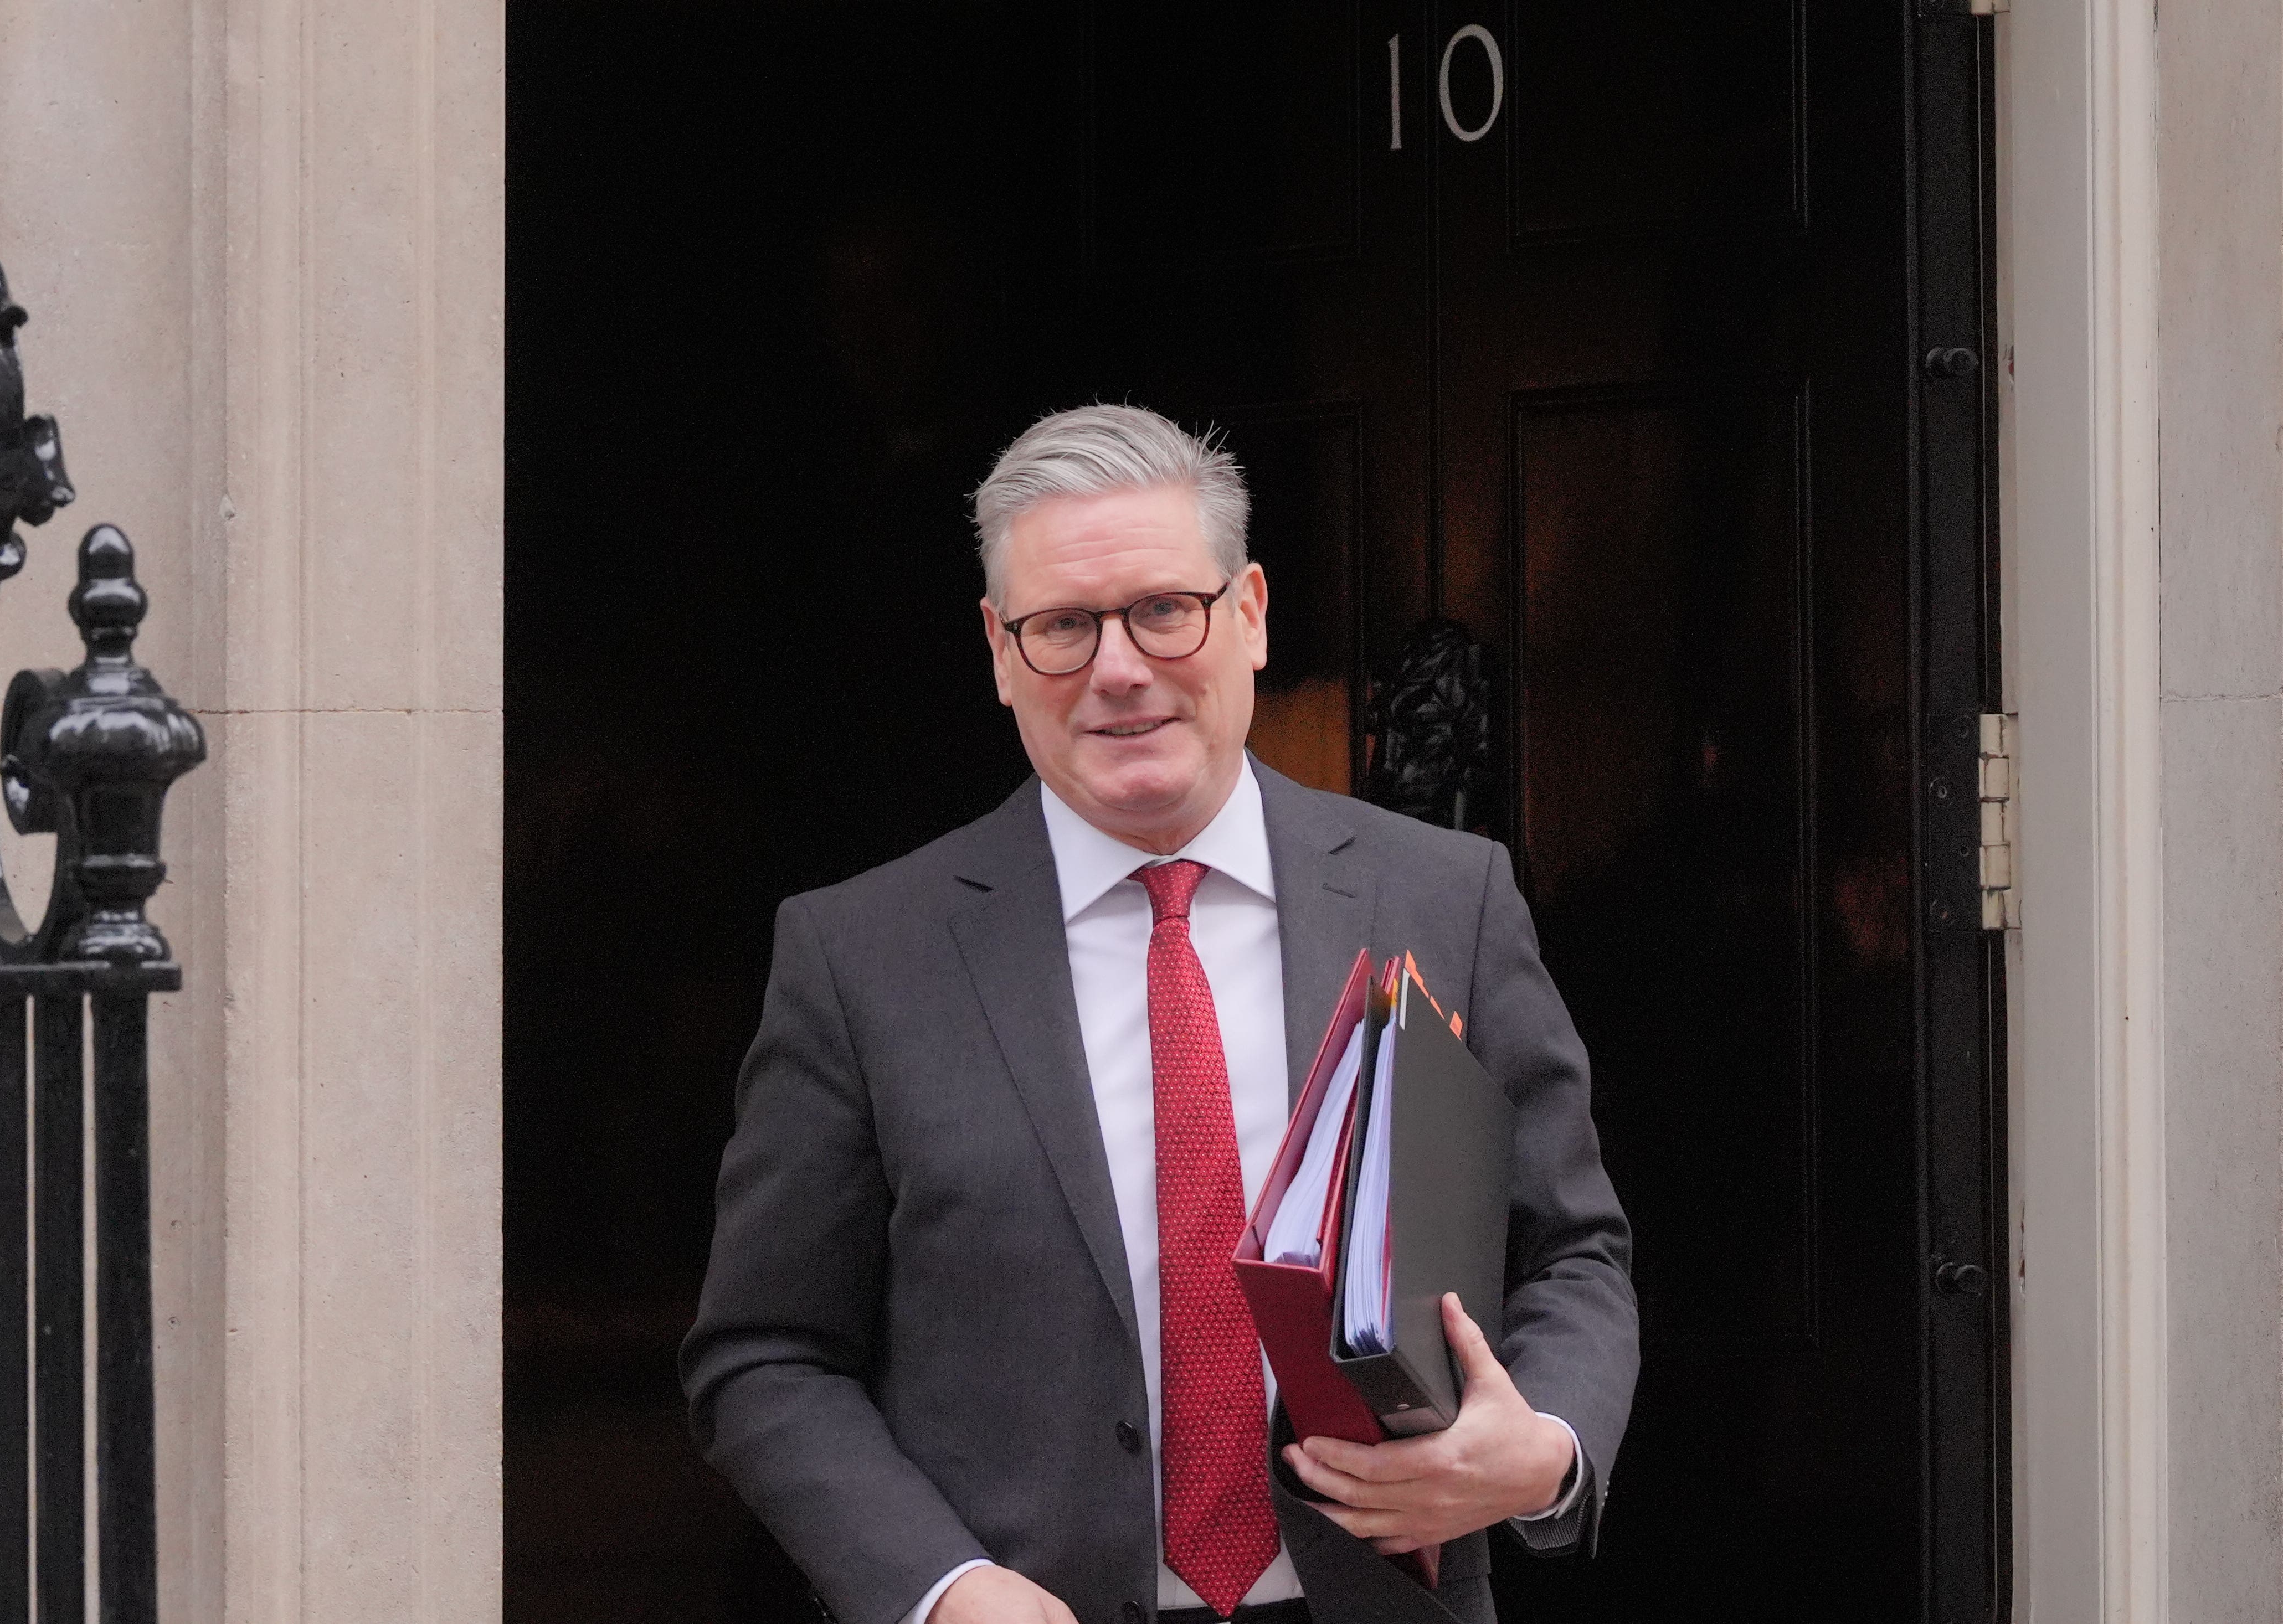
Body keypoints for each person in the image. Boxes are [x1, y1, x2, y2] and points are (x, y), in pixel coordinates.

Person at [681, 405, 1639, 1624]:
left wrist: (1543, 1445)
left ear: (1246, 613)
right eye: (1063, 628)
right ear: (996, 650)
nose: (1118, 668)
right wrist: (937, 1588)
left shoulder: (1444, 900)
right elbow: (764, 1358)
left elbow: (1572, 1251)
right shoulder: (859, 958)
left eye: (1161, 611)